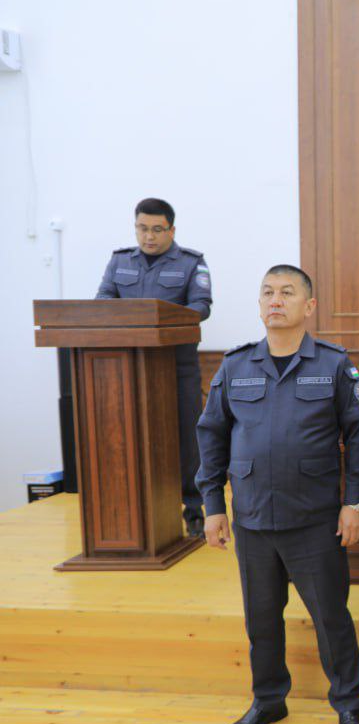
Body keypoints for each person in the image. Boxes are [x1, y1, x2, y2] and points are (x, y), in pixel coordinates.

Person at [196, 265, 359, 724]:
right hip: (252, 518)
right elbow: (211, 435)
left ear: (308, 306)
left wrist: (355, 502)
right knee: (261, 620)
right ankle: (268, 700)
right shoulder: (235, 366)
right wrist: (213, 505)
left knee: (330, 617)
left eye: (287, 292)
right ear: (259, 304)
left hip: (314, 520)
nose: (276, 300)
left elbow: (358, 437)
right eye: (268, 292)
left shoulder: (333, 364)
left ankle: (349, 704)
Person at [96, 197, 212, 536]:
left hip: (177, 368)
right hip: (125, 370)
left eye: (157, 229)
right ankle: (134, 508)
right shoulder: (119, 261)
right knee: (127, 436)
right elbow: (103, 299)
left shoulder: (191, 263)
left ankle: (193, 508)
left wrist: (158, 319)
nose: (149, 236)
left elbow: (201, 307)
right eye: (142, 228)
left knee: (186, 439)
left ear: (171, 230)